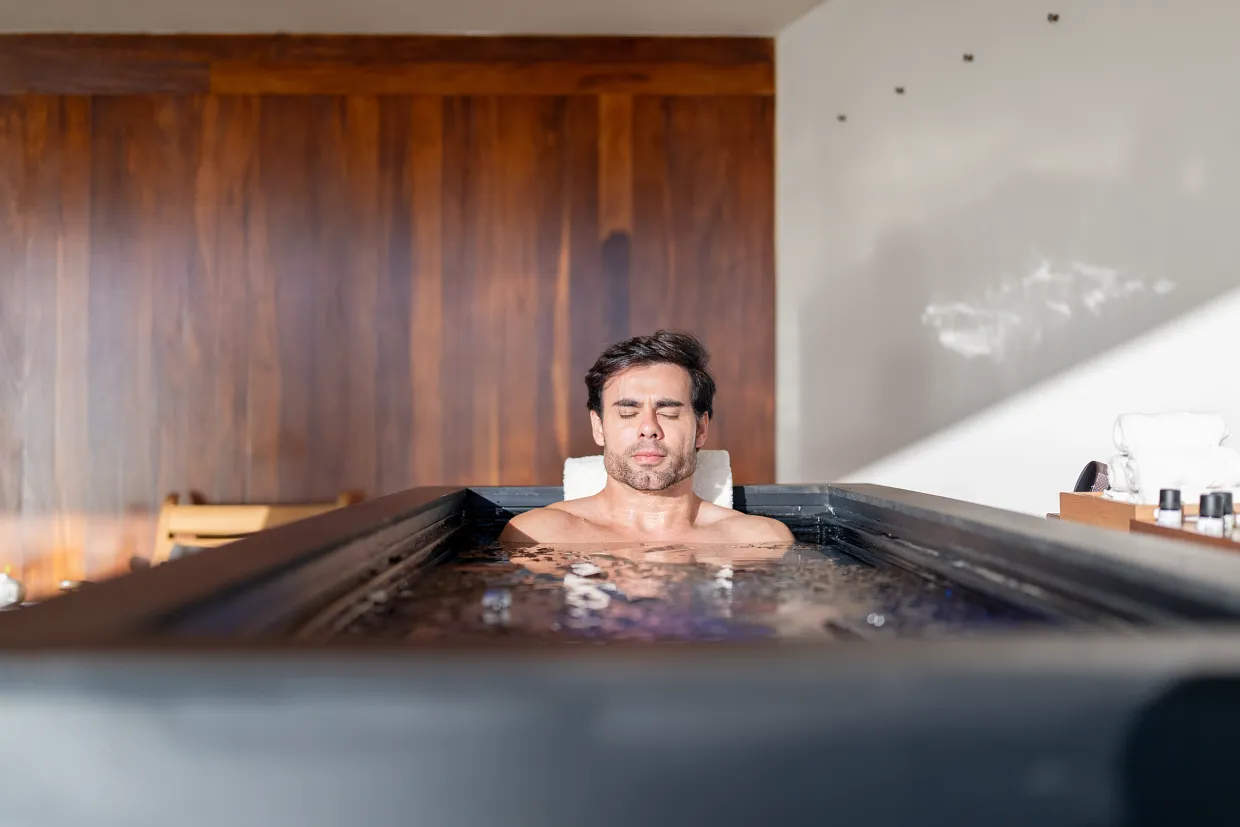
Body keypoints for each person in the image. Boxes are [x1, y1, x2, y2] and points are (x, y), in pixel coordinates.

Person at [500, 330, 795, 545]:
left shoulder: (760, 542)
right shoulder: (536, 537)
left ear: (701, 429)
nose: (648, 427)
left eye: (668, 412)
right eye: (628, 413)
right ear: (599, 427)